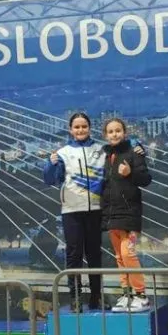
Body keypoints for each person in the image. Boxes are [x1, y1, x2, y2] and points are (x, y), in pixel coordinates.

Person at [42, 112, 107, 312]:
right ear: (71, 130)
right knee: (74, 255)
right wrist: (50, 164)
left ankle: (96, 297)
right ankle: (75, 298)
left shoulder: (101, 150)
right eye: (77, 127)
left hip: (95, 209)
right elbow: (49, 179)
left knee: (94, 255)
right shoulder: (63, 152)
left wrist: (137, 147)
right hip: (71, 211)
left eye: (84, 126)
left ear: (90, 128)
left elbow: (122, 149)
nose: (80, 130)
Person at [100, 118, 152, 312]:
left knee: (127, 253)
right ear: (105, 135)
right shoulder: (106, 156)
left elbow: (146, 179)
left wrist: (130, 173)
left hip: (130, 213)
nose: (114, 134)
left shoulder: (134, 152)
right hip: (112, 214)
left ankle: (141, 295)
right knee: (119, 257)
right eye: (111, 131)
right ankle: (127, 293)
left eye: (118, 130)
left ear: (125, 132)